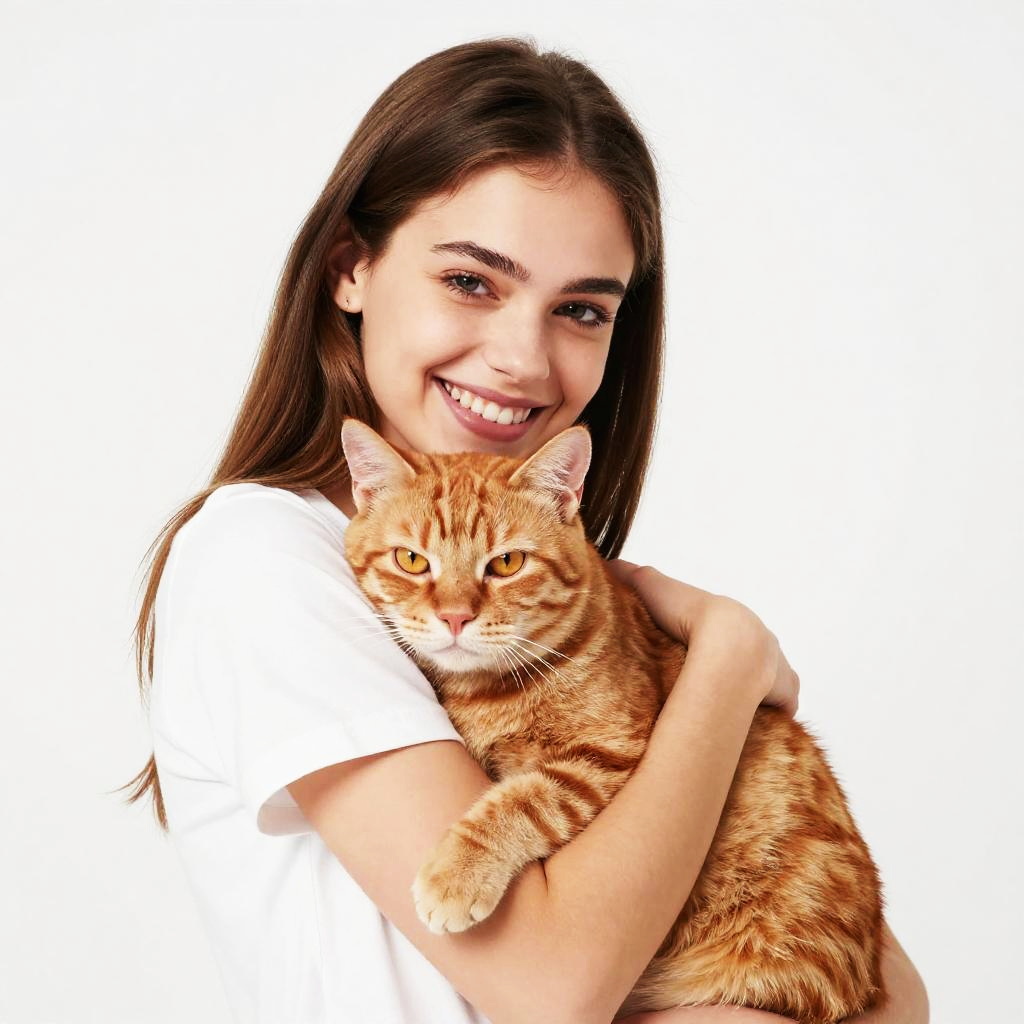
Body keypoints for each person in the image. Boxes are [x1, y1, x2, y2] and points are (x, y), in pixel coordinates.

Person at [121, 36, 928, 1024]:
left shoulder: (548, 592)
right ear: (350, 268)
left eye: (580, 309)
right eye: (471, 281)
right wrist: (727, 661)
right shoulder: (265, 560)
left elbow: (893, 995)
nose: (521, 358)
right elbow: (553, 989)